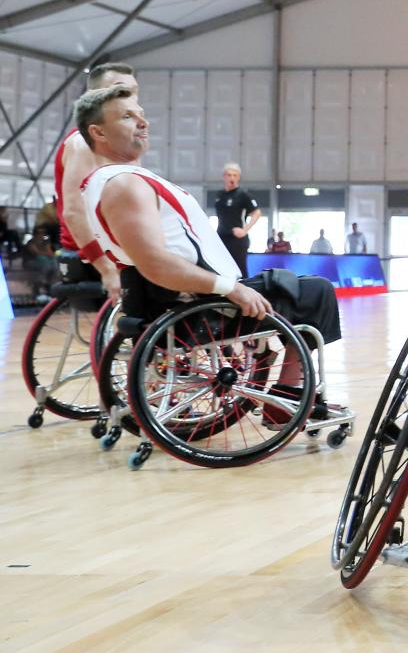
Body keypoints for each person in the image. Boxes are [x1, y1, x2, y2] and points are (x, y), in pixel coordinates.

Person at [74, 85, 346, 424]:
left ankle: (286, 396)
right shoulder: (124, 184)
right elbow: (155, 263)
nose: (142, 123)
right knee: (316, 291)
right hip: (198, 308)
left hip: (186, 301)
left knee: (295, 285)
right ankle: (287, 398)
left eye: (142, 115)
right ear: (97, 132)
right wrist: (228, 287)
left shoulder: (110, 181)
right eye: (128, 117)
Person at [54, 62, 137, 302]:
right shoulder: (85, 143)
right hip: (98, 251)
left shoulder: (125, 142)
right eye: (121, 90)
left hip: (123, 244)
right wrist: (106, 268)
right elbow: (73, 212)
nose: (130, 98)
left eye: (134, 91)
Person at [213, 162, 261, 276]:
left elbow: (257, 212)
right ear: (224, 176)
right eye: (229, 175)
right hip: (221, 237)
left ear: (238, 177)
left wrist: (244, 230)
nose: (232, 178)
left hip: (237, 239)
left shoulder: (243, 195)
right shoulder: (219, 195)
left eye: (235, 175)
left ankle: (245, 292)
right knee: (220, 269)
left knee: (239, 270)